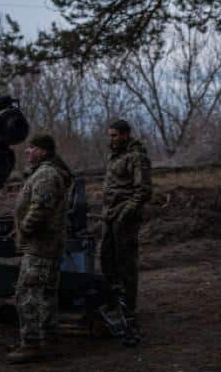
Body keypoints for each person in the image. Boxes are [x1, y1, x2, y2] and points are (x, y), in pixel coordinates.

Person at [8, 134, 73, 365]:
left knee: (27, 293)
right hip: (46, 244)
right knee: (45, 293)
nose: (27, 151)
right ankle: (50, 341)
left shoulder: (46, 175)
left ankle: (31, 344)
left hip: (40, 246)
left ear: (43, 151)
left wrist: (24, 228)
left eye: (32, 148)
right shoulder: (44, 172)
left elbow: (40, 208)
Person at [100, 119, 152, 331]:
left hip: (124, 218)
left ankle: (128, 307)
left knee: (126, 263)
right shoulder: (115, 155)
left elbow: (144, 190)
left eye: (114, 135)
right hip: (109, 215)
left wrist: (126, 212)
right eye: (109, 135)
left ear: (125, 134)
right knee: (106, 259)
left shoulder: (137, 157)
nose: (111, 139)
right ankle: (114, 301)